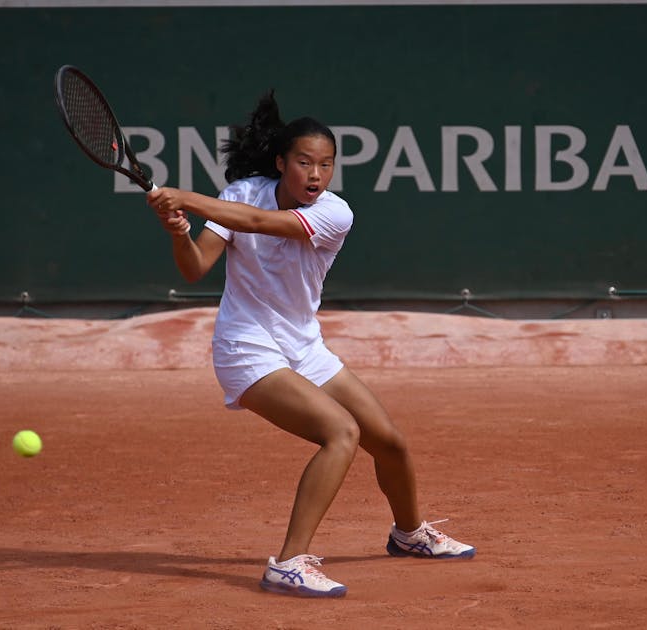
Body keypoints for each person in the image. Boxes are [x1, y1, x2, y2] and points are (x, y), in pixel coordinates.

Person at [146, 91, 475, 598]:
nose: (316, 175)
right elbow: (194, 268)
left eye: (326, 165)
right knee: (341, 432)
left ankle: (410, 535)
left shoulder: (334, 214)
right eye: (304, 163)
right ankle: (289, 562)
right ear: (281, 163)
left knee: (389, 441)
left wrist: (184, 197)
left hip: (304, 347)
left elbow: (256, 224)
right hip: (246, 348)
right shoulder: (242, 193)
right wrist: (177, 231)